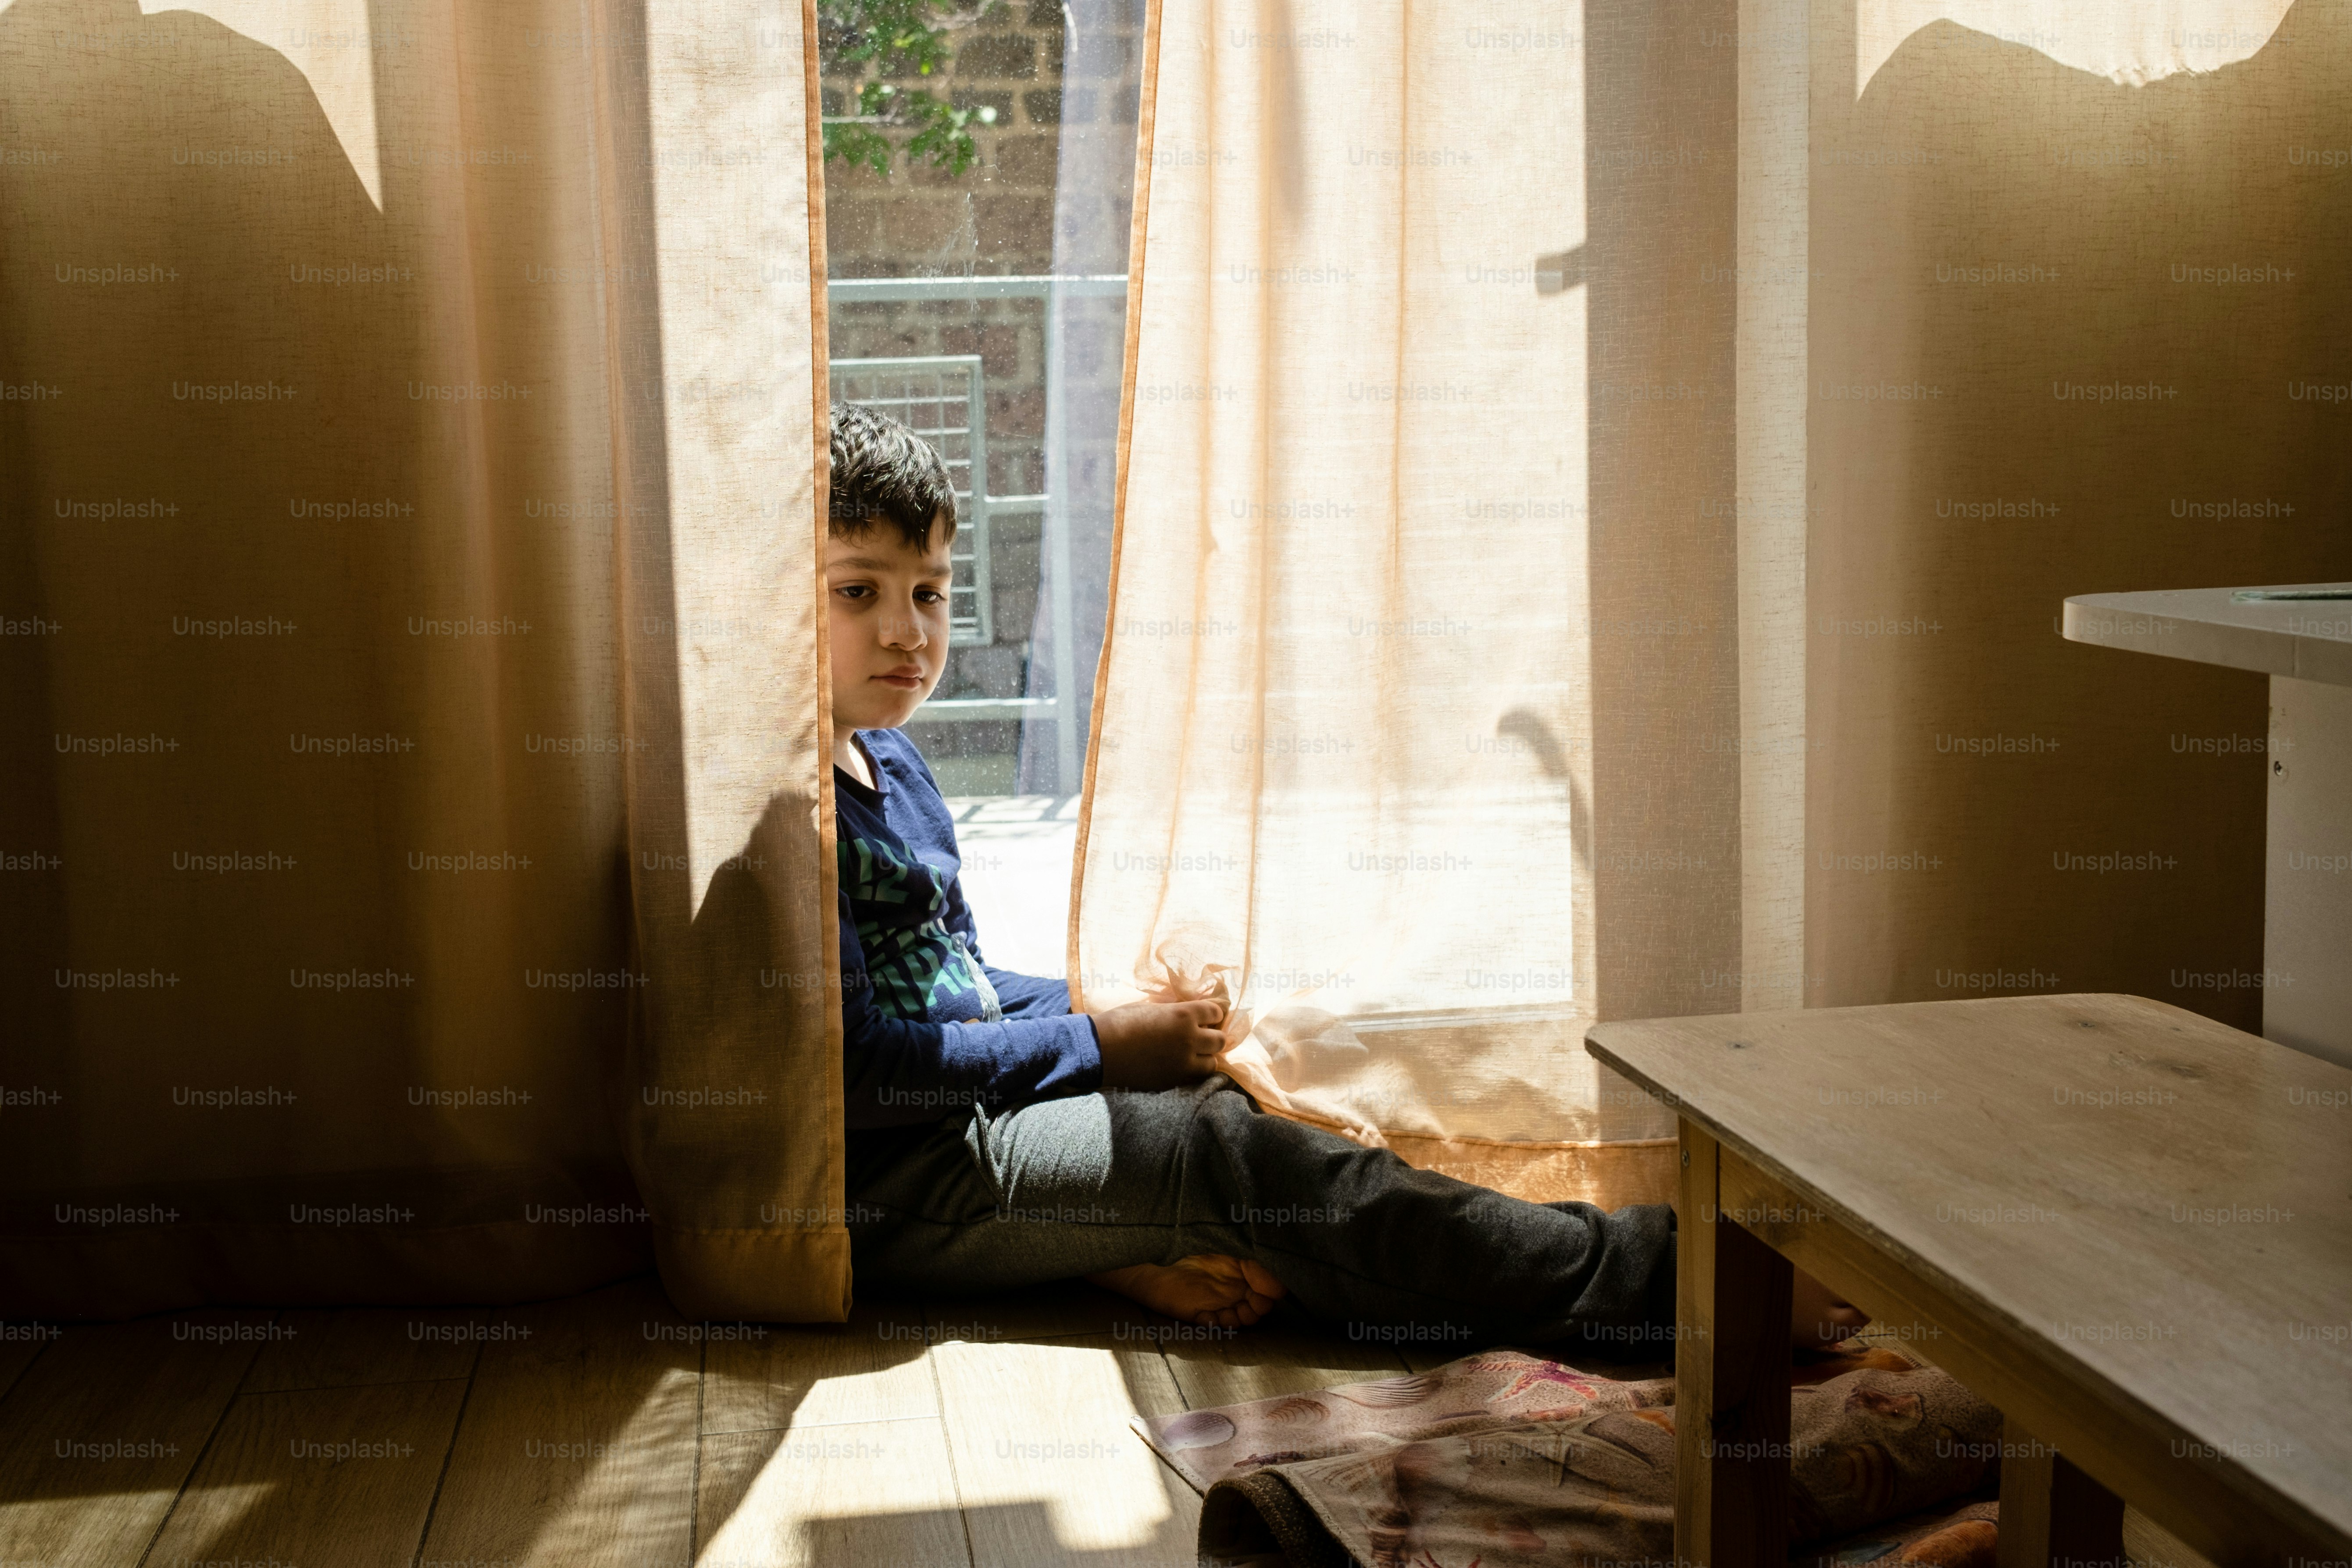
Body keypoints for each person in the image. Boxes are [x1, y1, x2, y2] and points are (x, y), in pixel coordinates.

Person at [824, 401, 1866, 1349]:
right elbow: (863, 1073)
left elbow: (961, 982)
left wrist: (1119, 1014)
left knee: (1236, 1090)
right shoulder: (795, 818)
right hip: (899, 1183)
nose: (906, 630)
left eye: (929, 593)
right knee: (1232, 1163)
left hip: (970, 1140)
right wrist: (1096, 1043)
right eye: (857, 592)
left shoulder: (896, 765)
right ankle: (1672, 1284)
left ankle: (1134, 1250)